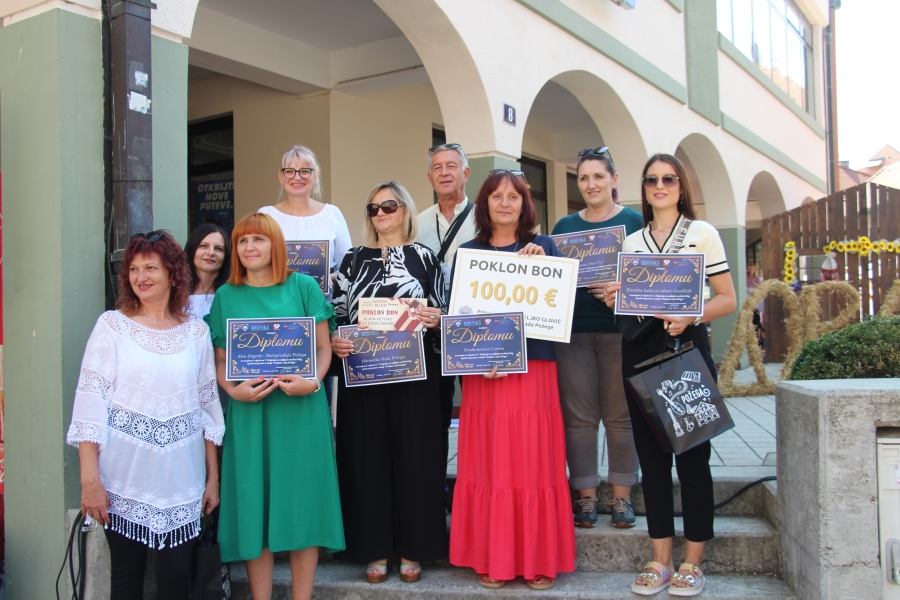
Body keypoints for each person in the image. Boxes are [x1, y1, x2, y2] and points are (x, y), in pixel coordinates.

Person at [603, 154, 737, 596]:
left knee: (693, 458)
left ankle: (693, 562)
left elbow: (727, 298)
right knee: (652, 459)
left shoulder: (702, 234)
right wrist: (615, 298)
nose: (660, 185)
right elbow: (629, 304)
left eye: (669, 179)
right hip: (639, 350)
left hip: (686, 349)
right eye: (651, 179)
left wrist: (692, 315)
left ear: (681, 187)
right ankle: (660, 559)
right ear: (643, 188)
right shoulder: (631, 242)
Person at [67, 231, 224, 600]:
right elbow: (89, 405)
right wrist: (90, 481)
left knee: (176, 578)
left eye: (150, 268)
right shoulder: (112, 327)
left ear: (173, 274)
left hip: (182, 480)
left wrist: (212, 480)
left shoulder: (196, 332)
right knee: (126, 579)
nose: (141, 276)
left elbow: (207, 408)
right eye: (134, 269)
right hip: (122, 479)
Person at [449, 169, 576, 590]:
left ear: (525, 204)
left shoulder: (546, 246)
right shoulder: (468, 253)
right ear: (484, 203)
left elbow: (564, 308)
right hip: (485, 373)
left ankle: (539, 558)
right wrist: (474, 361)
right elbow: (459, 320)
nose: (505, 203)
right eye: (496, 196)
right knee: (490, 462)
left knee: (533, 460)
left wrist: (546, 267)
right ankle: (493, 556)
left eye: (514, 196)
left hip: (534, 368)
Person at [205, 213, 343, 600]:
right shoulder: (226, 295)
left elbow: (323, 349)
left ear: (276, 245)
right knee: (255, 508)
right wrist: (232, 391)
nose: (249, 247)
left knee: (303, 505)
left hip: (300, 412)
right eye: (242, 241)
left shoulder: (303, 286)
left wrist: (313, 382)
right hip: (251, 413)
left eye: (258, 239)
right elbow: (220, 360)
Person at [330, 181, 447, 584]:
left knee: (417, 459)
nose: (380, 214)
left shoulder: (426, 259)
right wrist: (336, 338)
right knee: (367, 459)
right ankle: (374, 547)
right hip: (363, 376)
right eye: (373, 208)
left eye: (389, 206)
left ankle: (414, 547)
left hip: (416, 377)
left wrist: (436, 319)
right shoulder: (352, 259)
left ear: (406, 210)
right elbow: (337, 314)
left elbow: (444, 312)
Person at [551, 146, 644, 529]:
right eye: (584, 178)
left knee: (621, 418)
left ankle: (622, 498)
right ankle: (586, 498)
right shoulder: (563, 227)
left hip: (621, 333)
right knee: (579, 420)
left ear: (614, 179)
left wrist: (622, 288)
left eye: (598, 176)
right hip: (572, 335)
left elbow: (648, 277)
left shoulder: (635, 222)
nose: (591, 184)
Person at [415, 142, 475, 499]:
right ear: (429, 177)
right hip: (432, 331)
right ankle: (435, 488)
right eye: (437, 167)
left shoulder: (485, 218)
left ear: (466, 173)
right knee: (434, 412)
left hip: (472, 330)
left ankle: (474, 486)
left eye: (451, 166)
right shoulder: (417, 222)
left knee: (478, 409)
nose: (444, 172)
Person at [259, 144, 352, 291]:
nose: (297, 177)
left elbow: (348, 268)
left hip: (323, 302)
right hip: (277, 301)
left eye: (305, 171)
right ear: (280, 176)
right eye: (289, 171)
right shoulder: (267, 216)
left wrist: (330, 278)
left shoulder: (332, 214)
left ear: (316, 176)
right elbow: (257, 265)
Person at [185, 223, 231, 320]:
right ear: (192, 249)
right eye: (204, 246)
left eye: (218, 248)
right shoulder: (174, 291)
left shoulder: (231, 294)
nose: (211, 253)